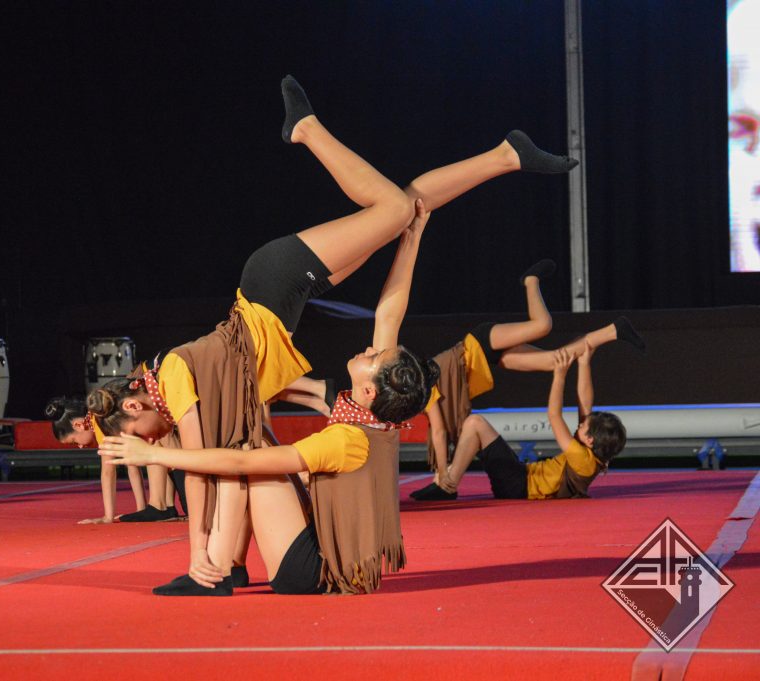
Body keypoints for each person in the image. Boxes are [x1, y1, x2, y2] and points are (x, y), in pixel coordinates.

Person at [89, 75, 578, 595]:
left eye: (371, 358)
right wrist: (411, 243)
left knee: (396, 209)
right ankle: (505, 156)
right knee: (404, 208)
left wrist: (159, 467)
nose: (367, 350)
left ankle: (307, 129)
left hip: (272, 284)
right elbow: (390, 312)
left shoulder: (355, 428)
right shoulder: (373, 415)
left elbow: (228, 465)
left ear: (368, 389)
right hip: (283, 300)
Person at [411, 313, 644, 500]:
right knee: (475, 425)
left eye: (584, 426)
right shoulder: (590, 453)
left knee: (475, 423)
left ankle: (447, 485)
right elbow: (585, 404)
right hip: (519, 475)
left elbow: (554, 416)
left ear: (591, 440)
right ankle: (446, 481)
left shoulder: (582, 458)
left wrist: (560, 376)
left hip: (516, 485)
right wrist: (584, 363)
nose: (581, 424)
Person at [45, 396, 169, 524]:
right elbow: (132, 465)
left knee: (155, 452)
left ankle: (160, 507)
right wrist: (141, 510)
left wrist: (108, 517)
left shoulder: (99, 422)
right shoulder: (98, 415)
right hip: (160, 423)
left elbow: (108, 472)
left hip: (160, 425)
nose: (80, 446)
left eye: (74, 442)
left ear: (78, 425)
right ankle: (164, 506)